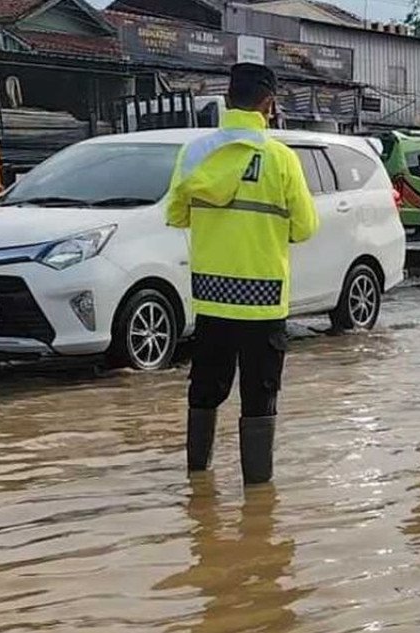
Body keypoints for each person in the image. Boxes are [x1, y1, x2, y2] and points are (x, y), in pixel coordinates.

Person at [166, 63, 319, 481]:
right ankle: (258, 496)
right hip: (263, 303)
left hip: (211, 299)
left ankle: (198, 479)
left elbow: (176, 215)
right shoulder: (281, 159)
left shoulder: (194, 153)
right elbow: (305, 228)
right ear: (268, 104)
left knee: (205, 390)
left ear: (227, 99)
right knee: (259, 397)